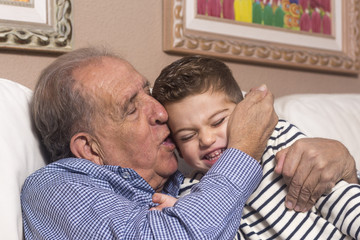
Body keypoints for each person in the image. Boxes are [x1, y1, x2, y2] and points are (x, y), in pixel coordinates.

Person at [21, 47, 357, 239]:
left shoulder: (192, 164)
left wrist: (345, 166)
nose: (160, 112)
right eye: (131, 106)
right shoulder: (57, 187)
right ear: (90, 149)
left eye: (147, 92)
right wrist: (243, 150)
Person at [151, 55, 360, 239]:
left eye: (217, 122)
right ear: (176, 147)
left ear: (244, 112)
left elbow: (339, 198)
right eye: (187, 136)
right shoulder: (192, 192)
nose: (206, 139)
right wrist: (181, 212)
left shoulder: (279, 141)